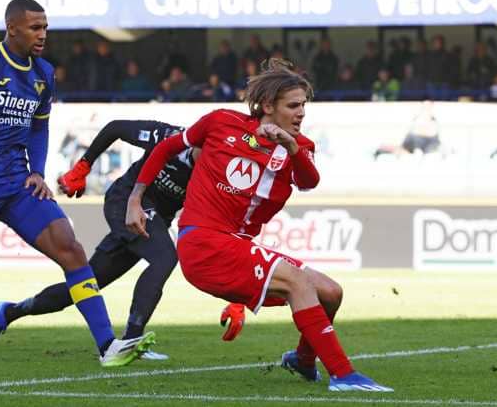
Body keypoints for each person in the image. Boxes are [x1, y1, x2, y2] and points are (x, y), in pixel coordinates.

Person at [125, 58, 392, 392]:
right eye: (293, 105)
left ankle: (302, 360)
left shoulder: (299, 147)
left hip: (236, 246)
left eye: (303, 106)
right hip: (203, 241)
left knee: (330, 293)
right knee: (297, 281)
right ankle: (343, 374)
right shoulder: (220, 122)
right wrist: (135, 199)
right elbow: (166, 147)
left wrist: (291, 146)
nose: (301, 113)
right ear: (268, 105)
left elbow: (308, 181)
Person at [0, 0, 153, 366]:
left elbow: (39, 125)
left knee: (70, 248)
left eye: (45, 27)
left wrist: (37, 171)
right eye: (35, 28)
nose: (43, 35)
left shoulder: (43, 73)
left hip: (16, 183)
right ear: (12, 28)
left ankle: (108, 346)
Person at [0, 119, 246, 358]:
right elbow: (116, 128)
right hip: (125, 202)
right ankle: (131, 341)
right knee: (165, 257)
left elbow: (226, 227)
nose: (214, 163)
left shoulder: (216, 175)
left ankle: (9, 312)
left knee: (85, 285)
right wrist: (82, 167)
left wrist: (237, 297)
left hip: (151, 219)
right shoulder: (167, 136)